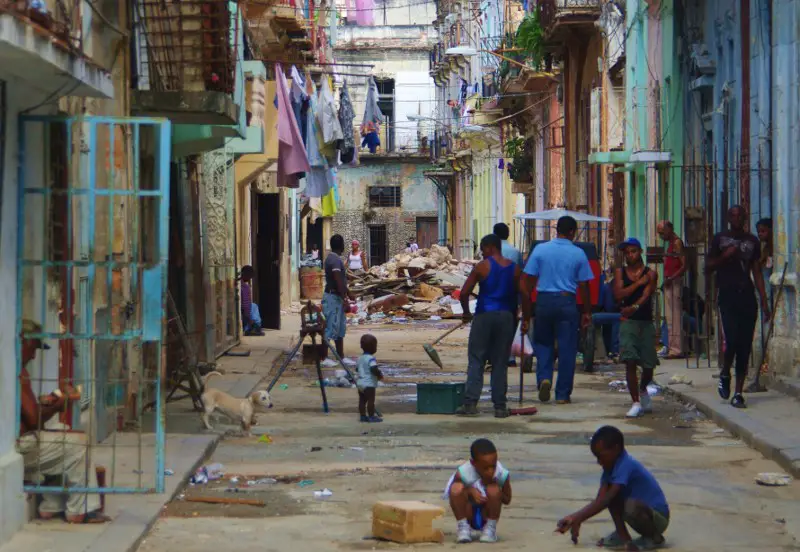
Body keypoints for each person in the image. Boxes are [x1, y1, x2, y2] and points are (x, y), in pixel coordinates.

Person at [17, 319, 111, 524]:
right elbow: (33, 420)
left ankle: (52, 504)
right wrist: (60, 405)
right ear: (22, 342)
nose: (33, 355)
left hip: (22, 443)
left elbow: (30, 413)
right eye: (32, 348)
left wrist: (51, 402)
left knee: (62, 430)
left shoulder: (17, 370)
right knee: (78, 443)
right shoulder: (17, 372)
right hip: (20, 447)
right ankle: (81, 509)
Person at [556, 426, 669, 551]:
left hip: (657, 517)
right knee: (613, 498)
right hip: (640, 514)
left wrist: (579, 517)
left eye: (601, 456)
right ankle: (623, 537)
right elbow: (601, 499)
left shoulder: (626, 464)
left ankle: (654, 537)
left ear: (616, 449)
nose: (599, 461)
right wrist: (574, 518)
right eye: (596, 457)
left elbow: (606, 499)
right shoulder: (609, 469)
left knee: (626, 504)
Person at [521, 216, 593, 404]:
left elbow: (527, 284)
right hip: (566, 302)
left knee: (543, 343)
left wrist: (526, 313)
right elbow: (584, 286)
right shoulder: (578, 253)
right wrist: (586, 312)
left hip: (543, 301)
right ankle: (562, 394)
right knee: (567, 348)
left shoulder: (540, 250)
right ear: (572, 232)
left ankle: (544, 378)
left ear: (556, 230)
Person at [456, 234, 529, 418]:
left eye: (482, 248)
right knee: (500, 362)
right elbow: (526, 295)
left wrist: (466, 312)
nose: (481, 252)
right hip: (506, 317)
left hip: (484, 315)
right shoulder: (514, 268)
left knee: (476, 359)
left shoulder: (482, 266)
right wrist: (526, 318)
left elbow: (464, 292)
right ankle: (500, 406)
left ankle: (471, 403)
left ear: (490, 247)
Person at [706, 205, 770, 408]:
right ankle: (725, 372)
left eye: (741, 215)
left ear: (745, 218)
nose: (737, 218)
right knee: (732, 340)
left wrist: (764, 300)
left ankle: (738, 393)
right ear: (727, 217)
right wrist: (725, 256)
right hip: (727, 295)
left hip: (747, 297)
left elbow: (757, 271)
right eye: (733, 215)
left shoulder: (752, 241)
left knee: (745, 345)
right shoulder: (719, 239)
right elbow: (707, 267)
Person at [614, 238, 659, 418]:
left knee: (648, 365)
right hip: (627, 322)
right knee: (630, 360)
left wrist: (635, 307)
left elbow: (648, 294)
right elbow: (619, 294)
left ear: (640, 252)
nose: (629, 255)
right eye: (626, 253)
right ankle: (635, 402)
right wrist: (639, 284)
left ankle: (642, 389)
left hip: (645, 321)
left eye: (633, 251)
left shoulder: (652, 273)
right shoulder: (620, 272)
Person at [443, 438, 511, 544]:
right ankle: (463, 528)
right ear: (473, 463)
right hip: (469, 512)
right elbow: (453, 495)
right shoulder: (463, 473)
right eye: (485, 468)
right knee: (456, 487)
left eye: (493, 466)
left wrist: (495, 492)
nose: (491, 471)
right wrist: (469, 491)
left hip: (487, 514)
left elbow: (507, 500)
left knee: (493, 489)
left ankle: (490, 530)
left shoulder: (501, 474)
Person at [748, 217, 774, 393]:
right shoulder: (761, 248)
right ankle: (758, 367)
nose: (760, 234)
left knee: (763, 331)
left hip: (767, 293)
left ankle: (762, 366)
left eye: (764, 231)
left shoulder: (772, 250)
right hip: (760, 293)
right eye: (759, 231)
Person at [493, 222, 524, 368]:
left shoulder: (490, 251)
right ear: (508, 234)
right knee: (510, 326)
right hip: (510, 293)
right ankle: (510, 357)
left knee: (493, 327)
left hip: (492, 293)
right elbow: (520, 274)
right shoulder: (515, 252)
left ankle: (495, 355)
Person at [656, 221, 686, 358]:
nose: (661, 236)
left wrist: (671, 278)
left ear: (669, 229)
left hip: (674, 282)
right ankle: (671, 347)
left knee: (674, 317)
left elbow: (684, 265)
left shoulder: (677, 243)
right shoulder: (670, 244)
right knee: (669, 317)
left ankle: (676, 349)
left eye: (662, 232)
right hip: (669, 282)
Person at [323, 234, 356, 359]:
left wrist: (348, 292)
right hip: (333, 298)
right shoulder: (335, 260)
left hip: (336, 297)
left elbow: (341, 282)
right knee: (331, 328)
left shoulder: (332, 258)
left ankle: (340, 356)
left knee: (339, 329)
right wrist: (345, 299)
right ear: (342, 246)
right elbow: (338, 280)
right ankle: (324, 358)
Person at [356, 334, 383, 423]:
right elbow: (373, 368)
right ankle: (371, 416)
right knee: (371, 401)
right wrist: (379, 375)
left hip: (360, 383)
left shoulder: (360, 358)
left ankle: (363, 416)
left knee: (362, 401)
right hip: (369, 383)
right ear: (372, 347)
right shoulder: (371, 359)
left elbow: (357, 369)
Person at [240, 265, 264, 336]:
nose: (250, 279)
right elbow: (246, 306)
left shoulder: (242, 284)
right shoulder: (245, 287)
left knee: (254, 306)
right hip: (245, 314)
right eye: (250, 277)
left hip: (245, 312)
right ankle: (253, 327)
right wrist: (250, 320)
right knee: (253, 307)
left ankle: (254, 326)